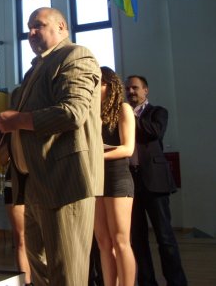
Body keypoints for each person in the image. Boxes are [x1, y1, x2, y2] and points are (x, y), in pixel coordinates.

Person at [0, 7, 103, 285]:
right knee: (39, 270)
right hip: (33, 182)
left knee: (67, 273)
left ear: (62, 26)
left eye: (38, 25)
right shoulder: (35, 69)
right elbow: (25, 118)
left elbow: (72, 113)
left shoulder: (76, 55)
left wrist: (17, 120)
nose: (30, 33)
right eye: (28, 27)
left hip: (64, 181)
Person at [125, 75, 187, 286]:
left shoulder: (158, 112)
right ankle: (147, 282)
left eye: (135, 88)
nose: (130, 92)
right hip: (130, 182)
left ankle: (176, 282)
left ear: (146, 90)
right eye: (128, 88)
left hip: (155, 182)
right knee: (138, 239)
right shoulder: (121, 115)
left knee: (165, 238)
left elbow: (155, 132)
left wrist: (128, 117)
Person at [93, 67, 136, 286]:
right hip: (95, 178)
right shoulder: (91, 113)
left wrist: (95, 155)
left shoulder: (123, 109)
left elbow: (128, 148)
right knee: (103, 242)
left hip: (117, 177)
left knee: (121, 241)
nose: (92, 88)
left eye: (96, 83)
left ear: (109, 85)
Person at [0, 145, 32, 286]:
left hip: (40, 181)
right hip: (14, 183)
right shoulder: (8, 134)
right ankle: (27, 283)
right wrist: (11, 139)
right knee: (21, 238)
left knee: (43, 238)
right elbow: (2, 160)